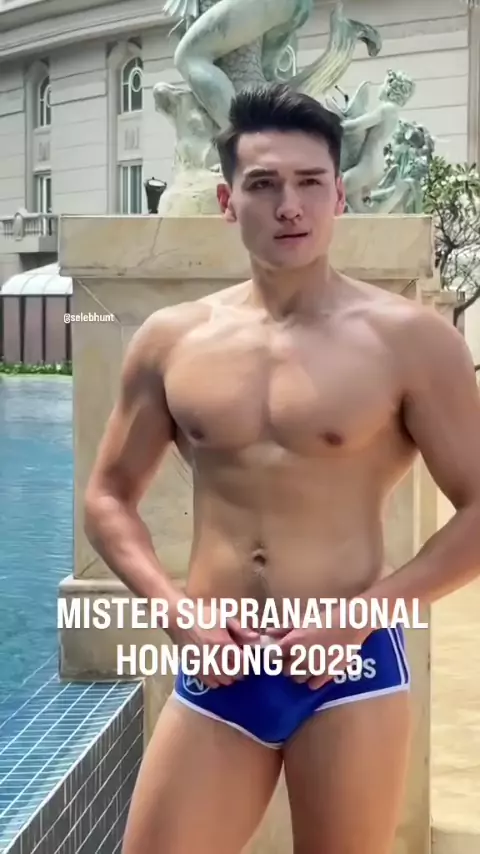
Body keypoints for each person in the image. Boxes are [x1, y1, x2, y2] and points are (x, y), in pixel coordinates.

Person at [83, 83, 480, 854]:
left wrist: (363, 615)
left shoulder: (411, 341)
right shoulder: (172, 340)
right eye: (264, 184)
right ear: (228, 202)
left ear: (339, 196)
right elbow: (107, 497)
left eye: (309, 182)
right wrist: (176, 611)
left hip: (347, 666)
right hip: (221, 662)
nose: (289, 206)